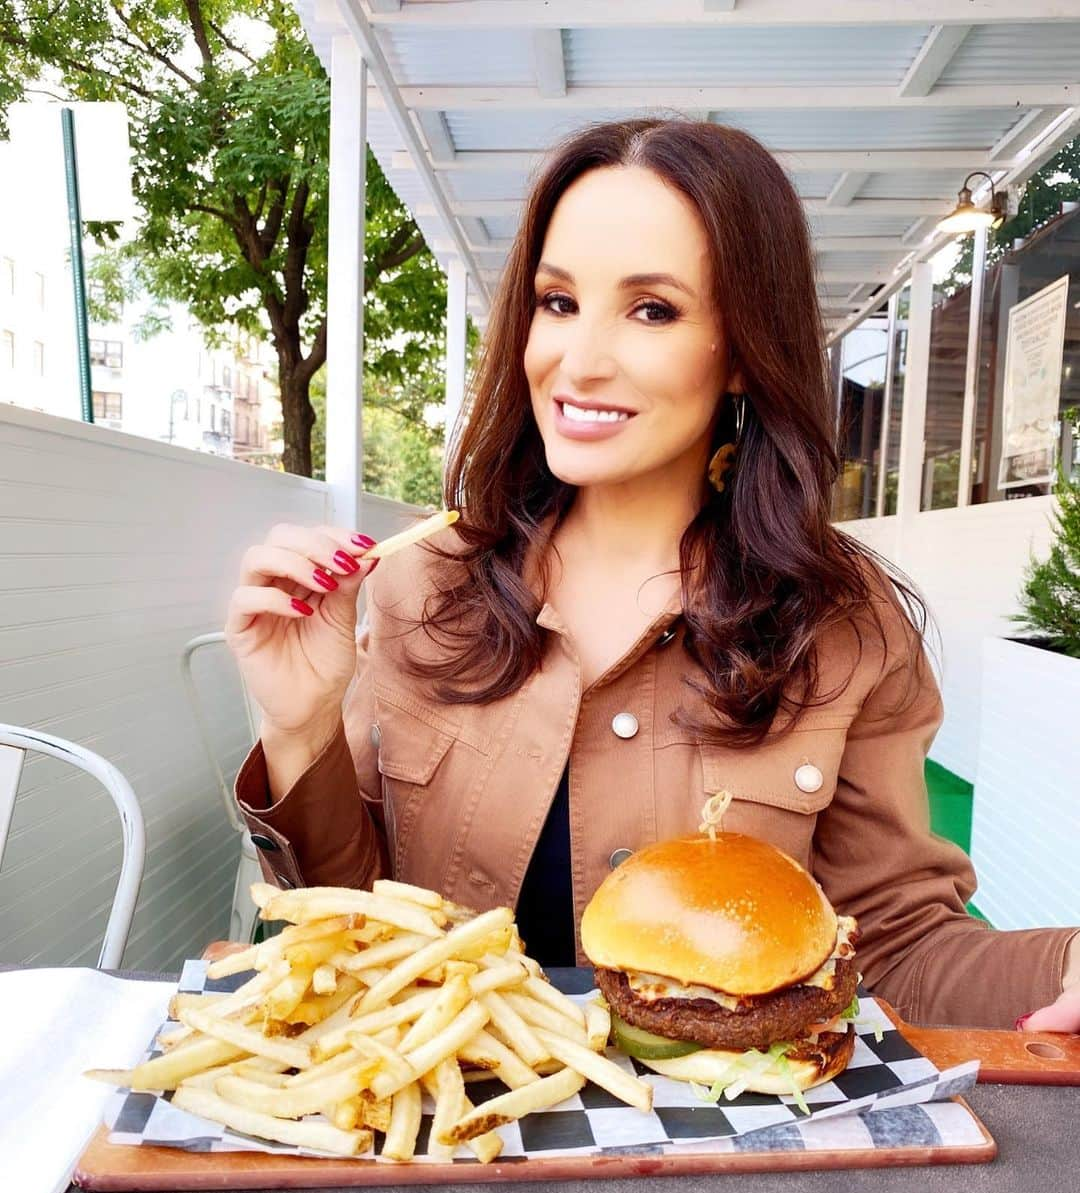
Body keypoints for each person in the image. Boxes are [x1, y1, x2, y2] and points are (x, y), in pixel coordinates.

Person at [225, 118, 1078, 1032]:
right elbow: (348, 932)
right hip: (448, 1133)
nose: (578, 360)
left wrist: (1063, 962)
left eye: (652, 309)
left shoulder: (841, 623)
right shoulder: (422, 584)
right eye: (558, 301)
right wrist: (299, 727)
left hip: (720, 1153)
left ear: (745, 351)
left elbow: (897, 946)